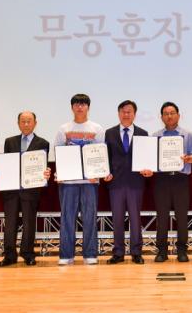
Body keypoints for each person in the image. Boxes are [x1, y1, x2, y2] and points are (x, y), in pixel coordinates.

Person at [54, 94, 105, 266]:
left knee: (90, 218)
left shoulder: (97, 128)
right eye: (76, 104)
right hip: (68, 182)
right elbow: (58, 153)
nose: (80, 107)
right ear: (72, 107)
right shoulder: (63, 129)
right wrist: (60, 173)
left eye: (83, 104)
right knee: (67, 218)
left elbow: (101, 153)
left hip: (90, 181)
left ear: (88, 107)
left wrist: (98, 173)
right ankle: (66, 255)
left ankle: (90, 254)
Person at [0, 111, 51, 267]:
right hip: (11, 190)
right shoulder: (9, 141)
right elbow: (6, 164)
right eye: (23, 121)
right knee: (10, 224)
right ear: (18, 123)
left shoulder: (43, 143)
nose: (26, 124)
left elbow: (43, 166)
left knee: (29, 223)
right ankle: (9, 256)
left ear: (35, 123)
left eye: (29, 121)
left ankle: (28, 254)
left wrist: (46, 172)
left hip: (31, 190)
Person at [105, 100, 151, 264]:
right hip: (115, 182)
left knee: (135, 218)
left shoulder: (143, 133)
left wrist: (149, 169)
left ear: (134, 114)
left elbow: (147, 157)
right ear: (119, 114)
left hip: (136, 182)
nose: (126, 114)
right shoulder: (109, 133)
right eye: (123, 111)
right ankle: (118, 253)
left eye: (129, 111)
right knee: (117, 218)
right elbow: (106, 157)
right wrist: (105, 172)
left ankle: (136, 252)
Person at [151, 102, 192, 263]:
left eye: (172, 113)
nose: (169, 116)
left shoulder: (188, 134)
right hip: (162, 180)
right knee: (162, 217)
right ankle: (162, 251)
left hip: (181, 179)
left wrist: (190, 158)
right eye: (166, 113)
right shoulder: (155, 136)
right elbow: (152, 159)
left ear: (179, 115)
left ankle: (182, 251)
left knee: (182, 217)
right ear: (161, 117)